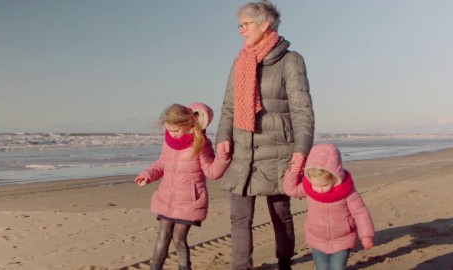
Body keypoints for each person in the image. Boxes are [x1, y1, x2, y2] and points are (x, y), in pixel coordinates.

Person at [215, 1, 315, 269]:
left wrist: (301, 151)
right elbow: (228, 106)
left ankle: (284, 260)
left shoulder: (290, 60)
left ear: (265, 25)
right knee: (239, 218)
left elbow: (302, 110)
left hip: (278, 150)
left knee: (280, 213)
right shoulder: (240, 61)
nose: (241, 30)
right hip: (242, 150)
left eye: (245, 24)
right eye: (240, 25)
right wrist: (223, 137)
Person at [135, 103, 231, 270]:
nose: (172, 134)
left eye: (175, 131)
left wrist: (222, 159)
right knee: (163, 235)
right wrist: (147, 174)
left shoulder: (201, 143)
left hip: (189, 201)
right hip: (166, 198)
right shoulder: (168, 142)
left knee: (179, 238)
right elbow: (161, 163)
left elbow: (212, 172)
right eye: (169, 130)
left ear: (188, 125)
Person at [283, 143, 375, 270]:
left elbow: (360, 213)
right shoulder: (309, 187)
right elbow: (290, 190)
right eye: (316, 185)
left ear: (335, 177)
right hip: (317, 239)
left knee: (337, 268)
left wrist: (366, 235)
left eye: (324, 185)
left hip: (342, 239)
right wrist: (295, 170)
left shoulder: (347, 191)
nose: (319, 190)